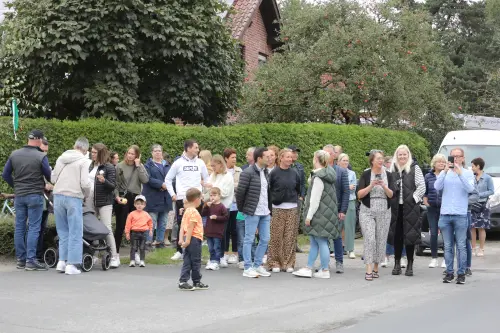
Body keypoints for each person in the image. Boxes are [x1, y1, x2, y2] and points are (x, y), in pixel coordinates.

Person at [2, 129, 52, 271]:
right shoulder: (40, 156)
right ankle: (31, 260)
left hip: (19, 196)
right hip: (35, 195)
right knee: (34, 227)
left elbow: (5, 175)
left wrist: (16, 186)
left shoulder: (14, 154)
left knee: (19, 227)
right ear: (38, 140)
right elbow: (49, 176)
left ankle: (21, 260)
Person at [292, 150, 339, 279]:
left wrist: (309, 216)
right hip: (325, 214)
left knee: (321, 241)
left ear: (316, 159)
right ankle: (309, 267)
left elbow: (314, 199)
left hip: (319, 214)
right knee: (315, 241)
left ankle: (324, 270)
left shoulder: (318, 177)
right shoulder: (327, 173)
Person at [51, 137, 92, 275]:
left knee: (63, 231)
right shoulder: (84, 161)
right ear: (85, 149)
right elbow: (85, 183)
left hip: (57, 196)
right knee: (75, 231)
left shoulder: (61, 158)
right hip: (74, 197)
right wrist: (86, 194)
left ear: (74, 146)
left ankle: (62, 261)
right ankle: (72, 264)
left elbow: (53, 178)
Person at [435, 147, 475, 284]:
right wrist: (444, 172)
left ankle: (461, 272)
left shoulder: (468, 173)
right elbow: (437, 187)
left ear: (463, 158)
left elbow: (470, 189)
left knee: (461, 245)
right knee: (447, 245)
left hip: (460, 214)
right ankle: (449, 272)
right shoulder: (445, 173)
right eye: (453, 156)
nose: (456, 159)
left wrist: (459, 174)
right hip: (445, 214)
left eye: (458, 156)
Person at [166, 139, 209, 261]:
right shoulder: (178, 163)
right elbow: (168, 179)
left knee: (196, 225)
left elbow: (207, 179)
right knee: (182, 225)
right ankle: (180, 251)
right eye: (196, 147)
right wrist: (173, 194)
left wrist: (204, 194)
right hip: (182, 199)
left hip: (197, 200)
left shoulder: (200, 163)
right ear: (189, 148)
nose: (197, 149)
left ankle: (196, 251)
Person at [356, 151, 395, 281]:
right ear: (372, 161)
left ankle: (376, 267)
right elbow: (359, 195)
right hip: (367, 209)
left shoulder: (388, 175)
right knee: (370, 238)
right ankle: (368, 268)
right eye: (378, 158)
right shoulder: (366, 174)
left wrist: (384, 186)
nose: (380, 160)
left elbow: (391, 195)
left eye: (382, 158)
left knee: (381, 239)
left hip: (384, 209)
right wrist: (371, 185)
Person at [388, 145, 425, 277]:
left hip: (410, 207)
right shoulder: (392, 168)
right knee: (397, 237)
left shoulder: (415, 168)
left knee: (410, 237)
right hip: (395, 208)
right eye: (400, 155)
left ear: (408, 155)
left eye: (404, 154)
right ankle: (397, 263)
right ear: (396, 156)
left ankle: (410, 264)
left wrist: (414, 198)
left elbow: (422, 186)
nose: (402, 157)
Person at [235, 147, 272, 278]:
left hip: (265, 211)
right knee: (249, 239)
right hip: (252, 211)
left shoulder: (266, 172)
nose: (270, 158)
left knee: (265, 238)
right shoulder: (248, 172)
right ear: (259, 158)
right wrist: (243, 209)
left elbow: (266, 193)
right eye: (267, 156)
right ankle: (247, 267)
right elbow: (240, 193)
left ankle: (257, 265)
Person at [268, 148, 301, 273]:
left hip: (291, 207)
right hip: (277, 208)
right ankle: (274, 262)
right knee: (276, 236)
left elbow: (298, 188)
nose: (289, 159)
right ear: (280, 158)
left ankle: (288, 263)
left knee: (289, 236)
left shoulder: (294, 173)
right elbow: (269, 189)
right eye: (287, 157)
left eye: (291, 157)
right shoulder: (274, 173)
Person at [88, 143, 119, 268]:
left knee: (106, 228)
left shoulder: (109, 167)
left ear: (101, 153)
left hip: (105, 202)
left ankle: (114, 256)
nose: (92, 154)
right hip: (90, 201)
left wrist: (103, 181)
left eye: (95, 152)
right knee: (93, 228)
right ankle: (94, 255)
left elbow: (112, 186)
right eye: (92, 152)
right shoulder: (90, 165)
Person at [114, 145, 149, 256]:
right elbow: (115, 184)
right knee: (120, 225)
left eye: (132, 154)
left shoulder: (140, 166)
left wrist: (138, 166)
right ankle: (116, 252)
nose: (130, 155)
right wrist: (116, 196)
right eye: (128, 153)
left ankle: (136, 253)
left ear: (137, 156)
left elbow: (145, 180)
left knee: (136, 226)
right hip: (123, 196)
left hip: (135, 198)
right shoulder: (120, 166)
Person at [323, 144, 349, 273]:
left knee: (337, 236)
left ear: (334, 155)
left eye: (328, 153)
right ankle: (325, 262)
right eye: (324, 153)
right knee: (323, 237)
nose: (326, 156)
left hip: (337, 209)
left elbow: (346, 192)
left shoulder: (342, 171)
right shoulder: (319, 170)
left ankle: (339, 262)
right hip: (322, 210)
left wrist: (343, 210)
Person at [204, 154, 234, 267]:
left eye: (214, 165)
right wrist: (205, 192)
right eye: (211, 166)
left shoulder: (228, 176)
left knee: (222, 233)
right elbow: (209, 191)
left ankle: (221, 256)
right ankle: (213, 256)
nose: (212, 168)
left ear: (220, 164)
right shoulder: (213, 175)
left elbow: (225, 193)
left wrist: (212, 186)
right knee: (212, 232)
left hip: (223, 207)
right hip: (212, 207)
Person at [142, 144, 173, 249]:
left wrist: (167, 185)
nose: (158, 152)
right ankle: (148, 243)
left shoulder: (168, 165)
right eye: (155, 151)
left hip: (165, 198)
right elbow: (147, 179)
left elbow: (172, 178)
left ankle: (160, 242)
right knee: (151, 222)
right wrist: (161, 184)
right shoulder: (147, 166)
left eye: (159, 150)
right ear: (152, 153)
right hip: (153, 198)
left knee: (163, 222)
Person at [178, 188, 209, 291]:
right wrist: (187, 241)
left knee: (187, 260)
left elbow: (182, 226)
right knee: (196, 261)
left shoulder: (186, 211)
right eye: (201, 198)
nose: (201, 200)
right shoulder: (194, 212)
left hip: (188, 237)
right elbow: (191, 227)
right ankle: (196, 281)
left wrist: (181, 239)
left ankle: (183, 281)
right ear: (196, 199)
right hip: (194, 239)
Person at [423, 154, 446, 268]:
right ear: (434, 164)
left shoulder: (448, 175)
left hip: (444, 208)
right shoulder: (428, 176)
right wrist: (426, 202)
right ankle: (434, 258)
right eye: (439, 162)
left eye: (443, 162)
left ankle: (446, 259)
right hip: (432, 208)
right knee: (433, 233)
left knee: (446, 233)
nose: (441, 163)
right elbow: (425, 191)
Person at [470, 157, 494, 257]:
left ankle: (481, 248)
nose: (471, 168)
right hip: (472, 204)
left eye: (473, 166)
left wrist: (479, 194)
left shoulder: (487, 178)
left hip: (483, 204)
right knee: (472, 227)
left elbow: (491, 191)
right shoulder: (471, 177)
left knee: (481, 227)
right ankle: (473, 247)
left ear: (478, 166)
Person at [202, 187, 229, 270]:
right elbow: (203, 214)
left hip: (217, 232)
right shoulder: (209, 205)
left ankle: (216, 261)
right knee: (210, 248)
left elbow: (226, 217)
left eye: (214, 195)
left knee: (216, 247)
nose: (212, 197)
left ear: (219, 196)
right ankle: (212, 260)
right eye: (211, 195)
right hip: (209, 231)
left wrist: (217, 217)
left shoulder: (221, 206)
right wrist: (206, 206)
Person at [223, 148, 242, 265]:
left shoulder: (239, 171)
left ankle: (235, 253)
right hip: (225, 204)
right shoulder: (222, 171)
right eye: (232, 157)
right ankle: (224, 253)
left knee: (235, 230)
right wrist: (232, 186)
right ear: (226, 158)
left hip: (236, 203)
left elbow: (241, 186)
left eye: (235, 157)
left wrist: (230, 186)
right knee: (225, 230)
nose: (234, 159)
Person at [37, 138, 54, 261]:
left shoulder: (45, 163)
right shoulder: (35, 161)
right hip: (38, 198)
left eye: (46, 151)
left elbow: (51, 180)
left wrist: (51, 186)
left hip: (45, 199)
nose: (44, 154)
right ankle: (34, 256)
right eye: (43, 150)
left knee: (41, 228)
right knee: (35, 228)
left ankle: (37, 254)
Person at [125, 195, 153, 267]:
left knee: (142, 247)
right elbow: (128, 224)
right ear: (134, 204)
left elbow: (150, 222)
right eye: (137, 204)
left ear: (144, 205)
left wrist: (150, 230)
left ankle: (142, 261)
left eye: (141, 204)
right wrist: (127, 233)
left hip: (143, 233)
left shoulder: (146, 214)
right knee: (133, 247)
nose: (139, 206)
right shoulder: (131, 214)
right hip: (134, 233)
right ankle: (132, 260)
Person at [338, 153, 357, 259]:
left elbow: (353, 188)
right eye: (343, 160)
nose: (345, 162)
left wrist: (344, 188)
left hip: (350, 201)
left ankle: (350, 249)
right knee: (337, 226)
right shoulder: (335, 171)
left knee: (349, 226)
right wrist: (346, 187)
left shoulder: (352, 173)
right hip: (338, 201)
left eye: (347, 160)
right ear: (339, 161)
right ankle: (334, 249)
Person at [288, 145, 306, 253]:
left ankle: (294, 244)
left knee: (295, 223)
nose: (295, 154)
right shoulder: (285, 166)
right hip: (287, 198)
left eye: (296, 152)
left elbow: (303, 183)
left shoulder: (299, 167)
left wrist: (302, 196)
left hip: (297, 199)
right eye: (293, 152)